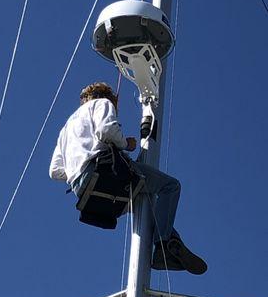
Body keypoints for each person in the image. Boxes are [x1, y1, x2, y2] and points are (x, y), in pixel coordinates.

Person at [49, 82, 207, 274]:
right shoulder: (102, 103)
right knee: (170, 186)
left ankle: (169, 241)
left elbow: (55, 171)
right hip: (103, 173)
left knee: (147, 201)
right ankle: (164, 245)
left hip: (84, 190)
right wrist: (126, 144)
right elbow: (106, 130)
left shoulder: (65, 130)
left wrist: (77, 169)